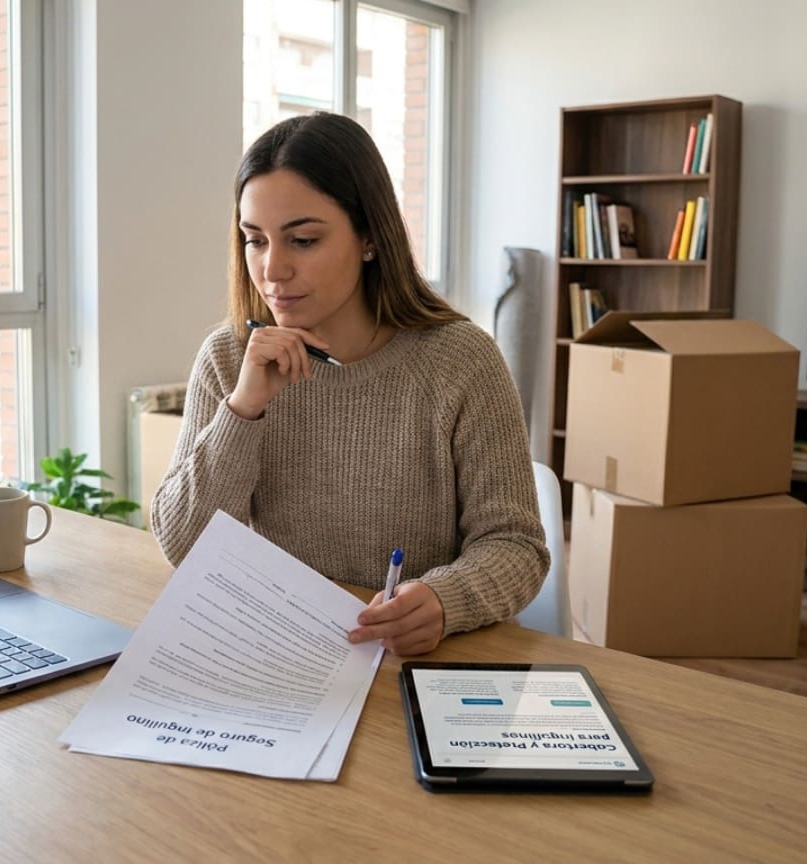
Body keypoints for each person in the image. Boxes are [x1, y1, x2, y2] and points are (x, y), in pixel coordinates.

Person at [150, 112, 548, 656]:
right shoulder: (229, 358)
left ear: (368, 238)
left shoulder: (460, 362)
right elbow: (183, 547)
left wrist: (443, 598)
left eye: (304, 240)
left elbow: (517, 546)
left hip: (410, 661)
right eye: (254, 240)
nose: (272, 270)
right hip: (279, 657)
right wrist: (243, 410)